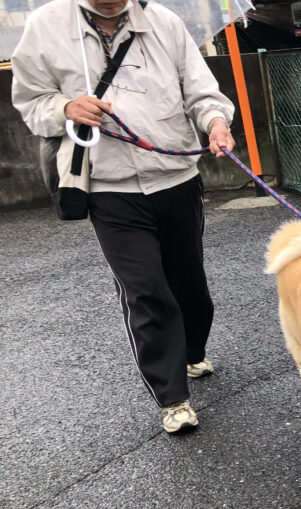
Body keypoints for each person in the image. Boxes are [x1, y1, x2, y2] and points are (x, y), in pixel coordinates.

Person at [11, 0, 236, 434]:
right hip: (109, 186)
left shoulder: (164, 22)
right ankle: (172, 398)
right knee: (146, 290)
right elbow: (30, 101)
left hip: (175, 178)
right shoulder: (46, 25)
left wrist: (214, 123)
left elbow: (200, 91)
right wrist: (64, 109)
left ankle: (191, 353)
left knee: (191, 288)